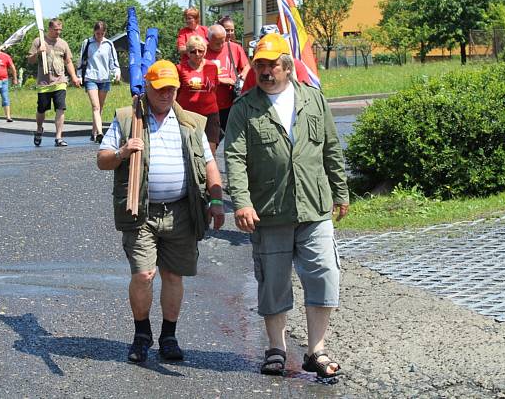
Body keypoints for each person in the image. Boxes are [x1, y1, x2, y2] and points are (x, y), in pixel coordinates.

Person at [224, 33, 349, 379]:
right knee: (273, 282)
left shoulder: (313, 100)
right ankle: (276, 348)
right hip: (269, 210)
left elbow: (331, 148)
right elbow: (234, 157)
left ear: (288, 66)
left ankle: (315, 351)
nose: (265, 71)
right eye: (260, 65)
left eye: (272, 65)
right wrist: (242, 203)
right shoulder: (244, 108)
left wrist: (341, 191)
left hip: (314, 205)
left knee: (325, 274)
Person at [97, 59, 225, 364]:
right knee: (144, 274)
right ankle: (142, 335)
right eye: (161, 88)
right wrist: (122, 151)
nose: (167, 94)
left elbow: (208, 164)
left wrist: (217, 200)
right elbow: (102, 160)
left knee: (173, 275)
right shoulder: (128, 119)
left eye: (172, 88)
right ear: (149, 88)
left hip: (181, 211)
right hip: (139, 211)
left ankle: (169, 336)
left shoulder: (190, 122)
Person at [27, 18, 81, 146]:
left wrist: (74, 77)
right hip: (44, 83)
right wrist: (38, 52)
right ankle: (39, 129)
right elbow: (30, 60)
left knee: (60, 108)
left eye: (60, 30)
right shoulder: (38, 41)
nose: (58, 32)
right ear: (49, 29)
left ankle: (58, 137)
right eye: (56, 30)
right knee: (41, 110)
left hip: (60, 81)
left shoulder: (63, 43)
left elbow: (68, 62)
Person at [176, 35, 221, 154]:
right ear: (188, 53)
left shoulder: (212, 66)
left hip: (210, 114)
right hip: (188, 115)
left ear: (205, 51)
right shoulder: (180, 68)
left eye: (200, 51)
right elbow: (176, 92)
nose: (197, 54)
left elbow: (214, 88)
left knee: (210, 153)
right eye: (193, 51)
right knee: (191, 151)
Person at [78, 21, 120, 142]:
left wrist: (116, 72)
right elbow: (82, 60)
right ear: (94, 32)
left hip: (105, 78)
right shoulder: (87, 43)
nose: (99, 36)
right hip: (91, 77)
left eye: (102, 33)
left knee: (100, 107)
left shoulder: (109, 44)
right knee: (95, 106)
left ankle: (93, 132)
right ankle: (100, 133)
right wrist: (79, 75)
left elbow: (113, 61)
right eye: (97, 33)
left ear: (105, 33)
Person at [205, 22, 250, 133]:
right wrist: (221, 80)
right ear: (208, 40)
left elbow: (247, 66)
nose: (221, 46)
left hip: (231, 103)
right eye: (217, 43)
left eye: (223, 42)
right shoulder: (202, 52)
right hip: (210, 105)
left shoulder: (234, 48)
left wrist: (241, 77)